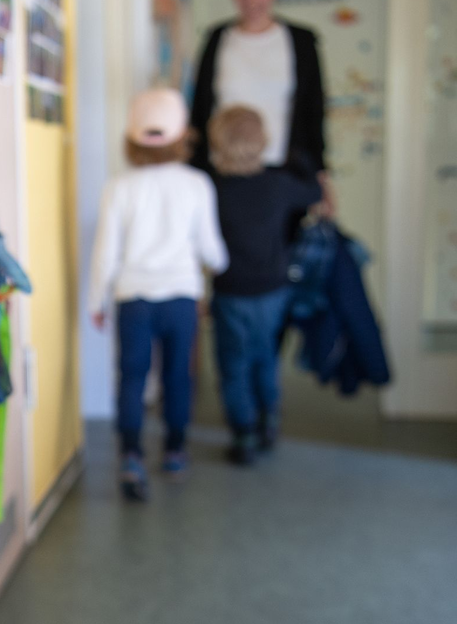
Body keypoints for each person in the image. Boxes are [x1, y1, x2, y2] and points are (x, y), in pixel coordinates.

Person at [88, 88, 229, 502]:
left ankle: (130, 455)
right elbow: (211, 251)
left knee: (132, 377)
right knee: (177, 377)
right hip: (182, 298)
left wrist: (97, 301)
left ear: (130, 139)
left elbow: (105, 251)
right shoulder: (197, 184)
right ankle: (174, 451)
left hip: (133, 298)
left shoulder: (119, 187)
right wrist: (221, 265)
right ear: (183, 136)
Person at [207, 106, 323, 465]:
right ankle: (268, 420)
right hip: (273, 288)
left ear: (218, 142)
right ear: (263, 141)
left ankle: (243, 434)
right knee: (265, 357)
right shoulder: (278, 184)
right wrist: (300, 160)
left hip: (230, 290)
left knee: (233, 362)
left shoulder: (213, 187)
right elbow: (313, 193)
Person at [189, 0, 333, 215]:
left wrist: (321, 173)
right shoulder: (217, 38)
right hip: (223, 168)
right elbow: (199, 107)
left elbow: (314, 110)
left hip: (283, 168)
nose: (253, 3)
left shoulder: (300, 40)